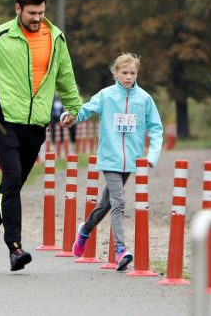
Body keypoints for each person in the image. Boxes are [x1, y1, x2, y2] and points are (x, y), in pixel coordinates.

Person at [0, 0, 82, 273]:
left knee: (11, 186)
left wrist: (74, 110)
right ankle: (15, 247)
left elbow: (65, 77)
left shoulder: (55, 37)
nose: (37, 18)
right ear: (18, 9)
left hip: (36, 125)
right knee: (13, 178)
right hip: (4, 121)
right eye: (32, 13)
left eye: (41, 13)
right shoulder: (1, 36)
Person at [65, 52, 163, 270]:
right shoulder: (106, 96)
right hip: (109, 159)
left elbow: (156, 128)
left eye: (132, 73)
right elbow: (86, 109)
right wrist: (71, 115)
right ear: (115, 74)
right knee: (119, 202)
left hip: (131, 160)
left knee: (106, 203)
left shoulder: (144, 99)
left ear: (137, 74)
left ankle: (85, 230)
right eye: (124, 73)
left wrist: (152, 155)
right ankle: (121, 250)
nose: (129, 77)